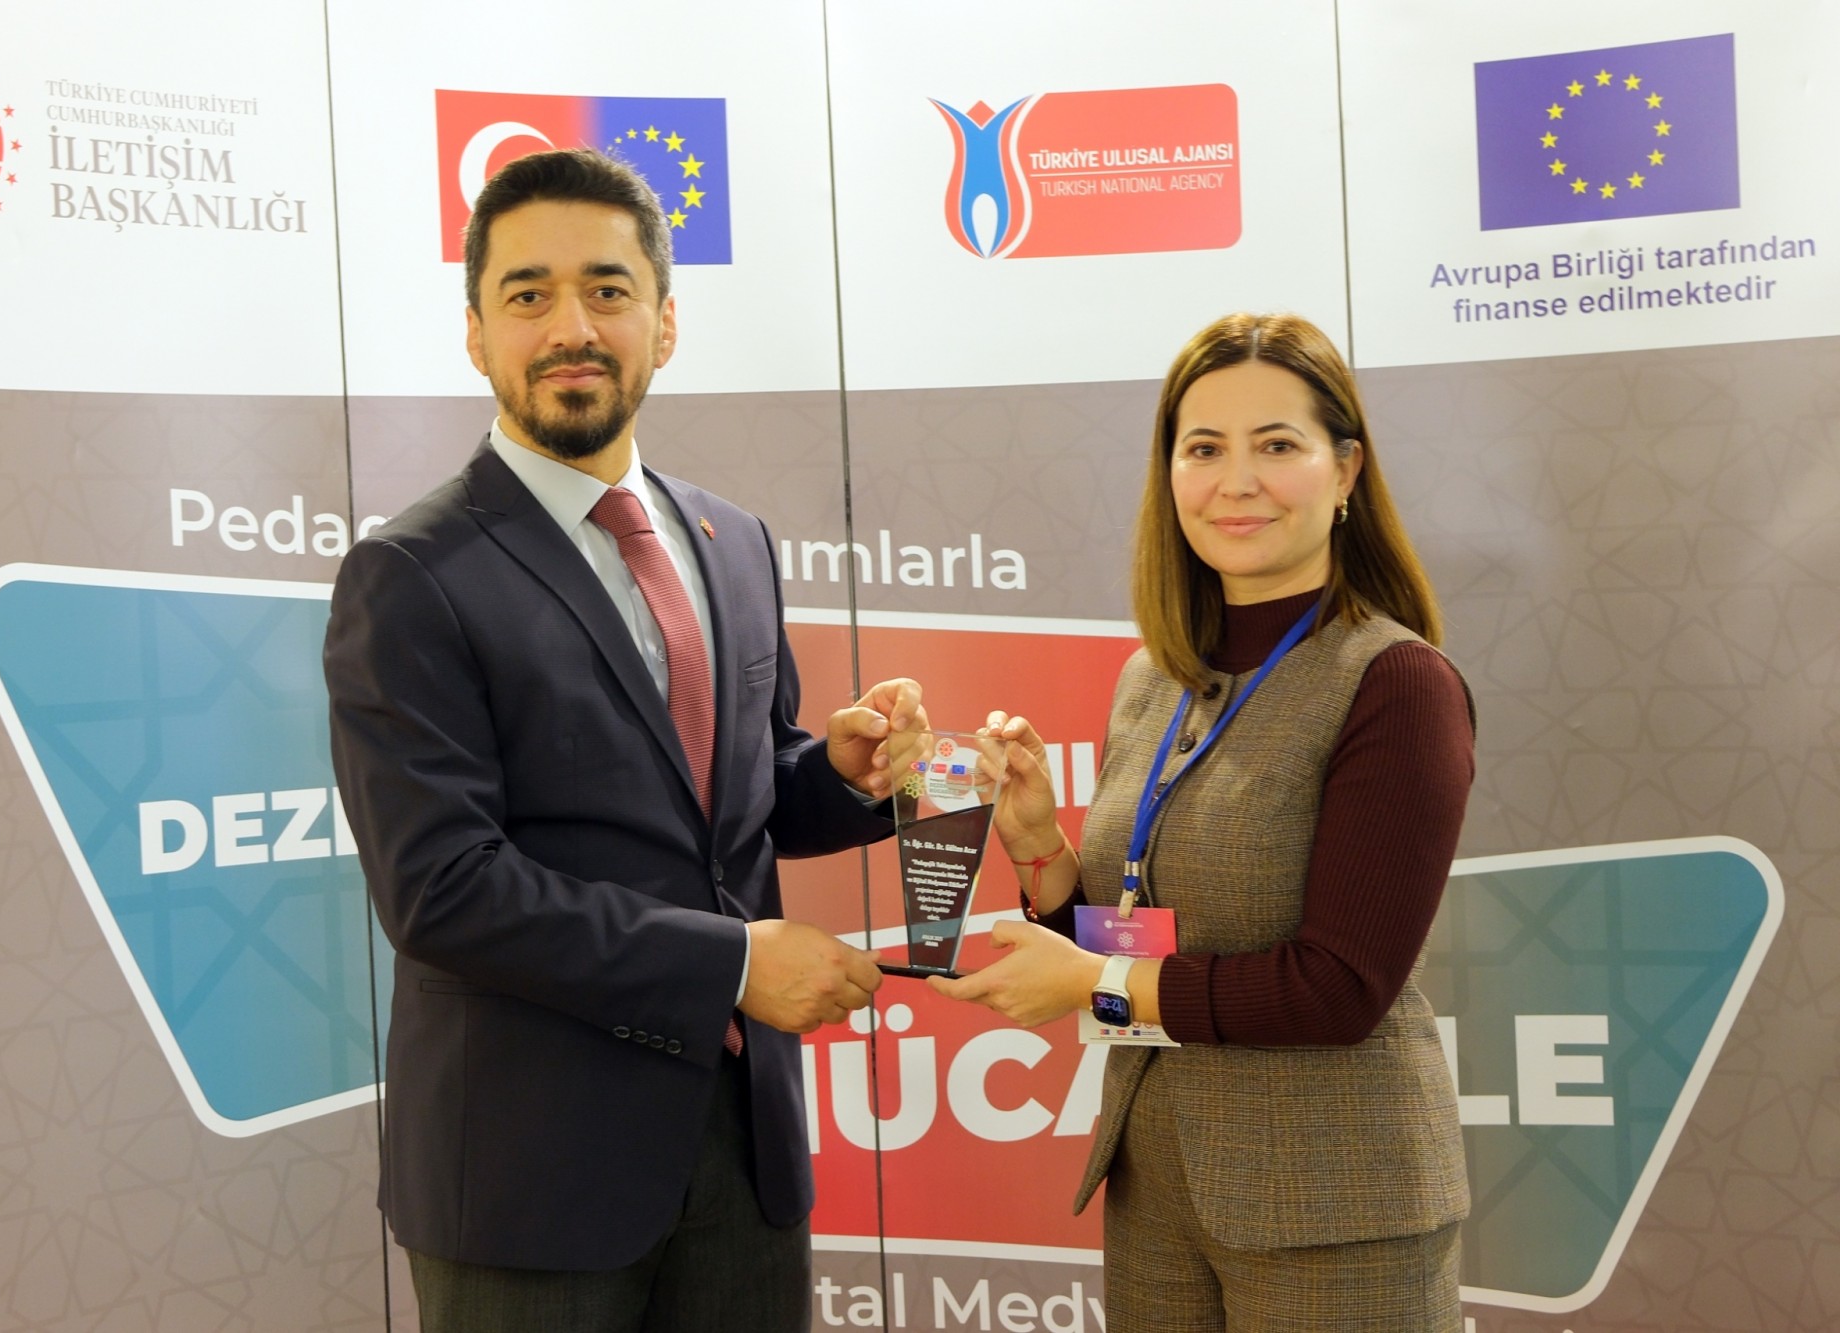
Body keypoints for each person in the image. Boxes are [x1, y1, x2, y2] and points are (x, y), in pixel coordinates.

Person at [324, 147, 920, 1333]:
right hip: (527, 1179)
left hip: (743, 1154)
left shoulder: (731, 539)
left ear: (664, 321)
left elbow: (733, 800)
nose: (571, 327)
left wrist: (842, 776)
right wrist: (734, 964)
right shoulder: (411, 573)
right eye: (527, 294)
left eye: (607, 289)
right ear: (475, 334)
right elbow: (443, 888)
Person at [933, 313, 1473, 1330]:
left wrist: (1091, 983)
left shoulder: (1395, 681)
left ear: (1345, 469)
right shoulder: (1155, 678)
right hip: (1158, 1190)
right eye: (1204, 448)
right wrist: (1038, 842)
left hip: (1334, 1202)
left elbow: (1338, 987)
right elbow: (1134, 935)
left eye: (1276, 444)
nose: (1237, 481)